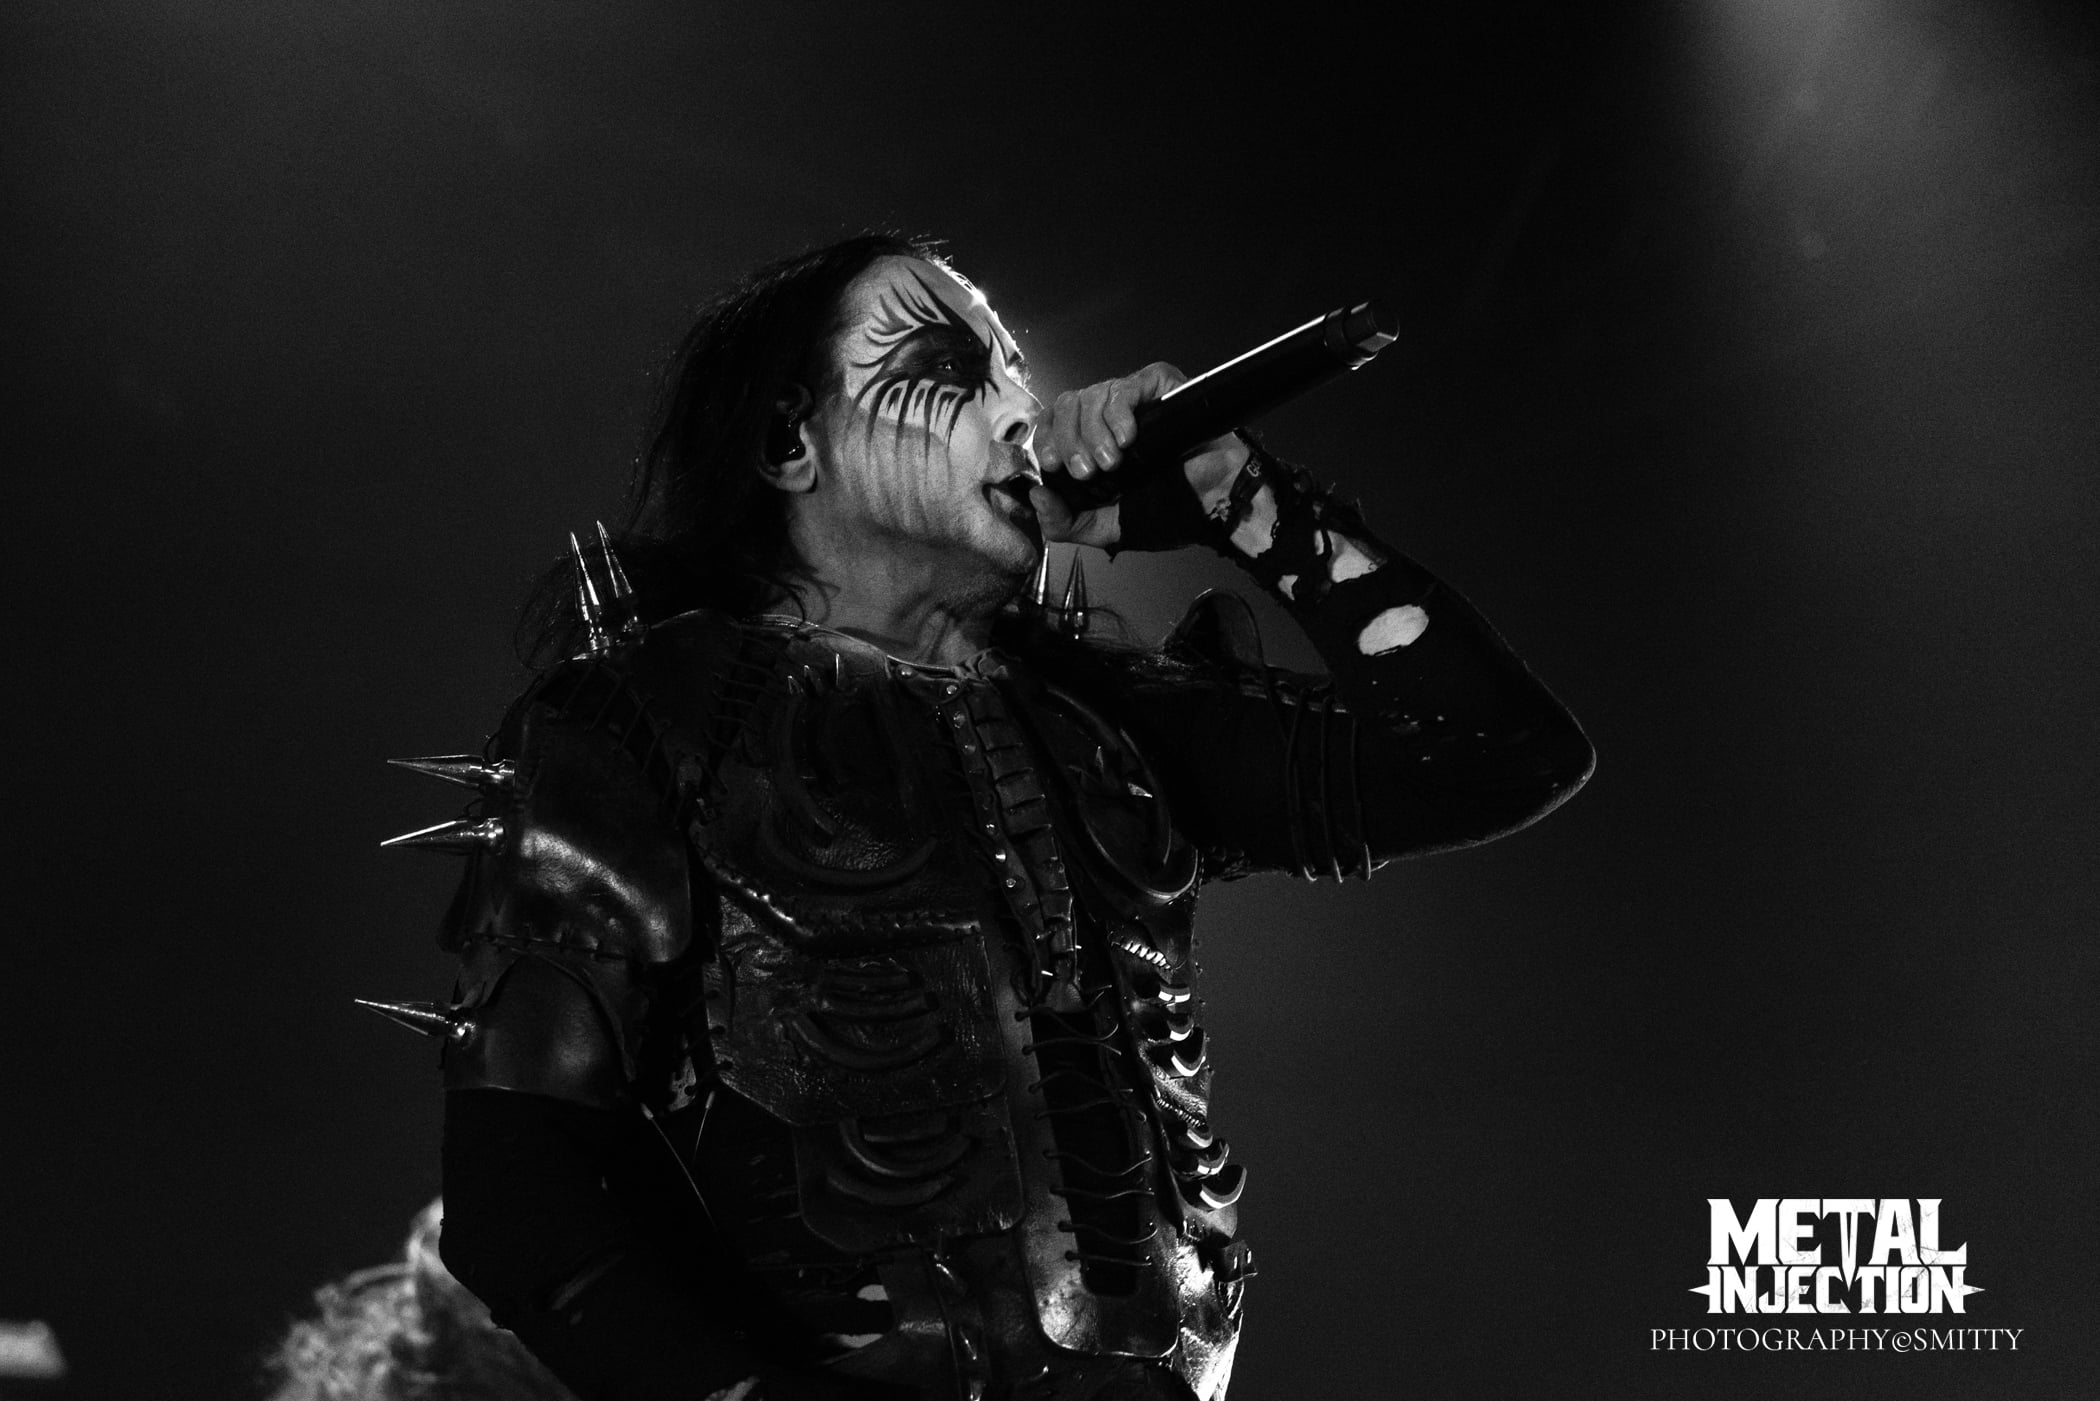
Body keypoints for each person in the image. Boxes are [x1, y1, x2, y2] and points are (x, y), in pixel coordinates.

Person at [380, 233, 1591, 1401]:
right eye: (954, 373)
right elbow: (520, 1189)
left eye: (1017, 369)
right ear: (789, 442)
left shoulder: (1105, 725)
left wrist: (1246, 502)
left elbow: (1502, 759)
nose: (1025, 410)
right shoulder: (638, 719)